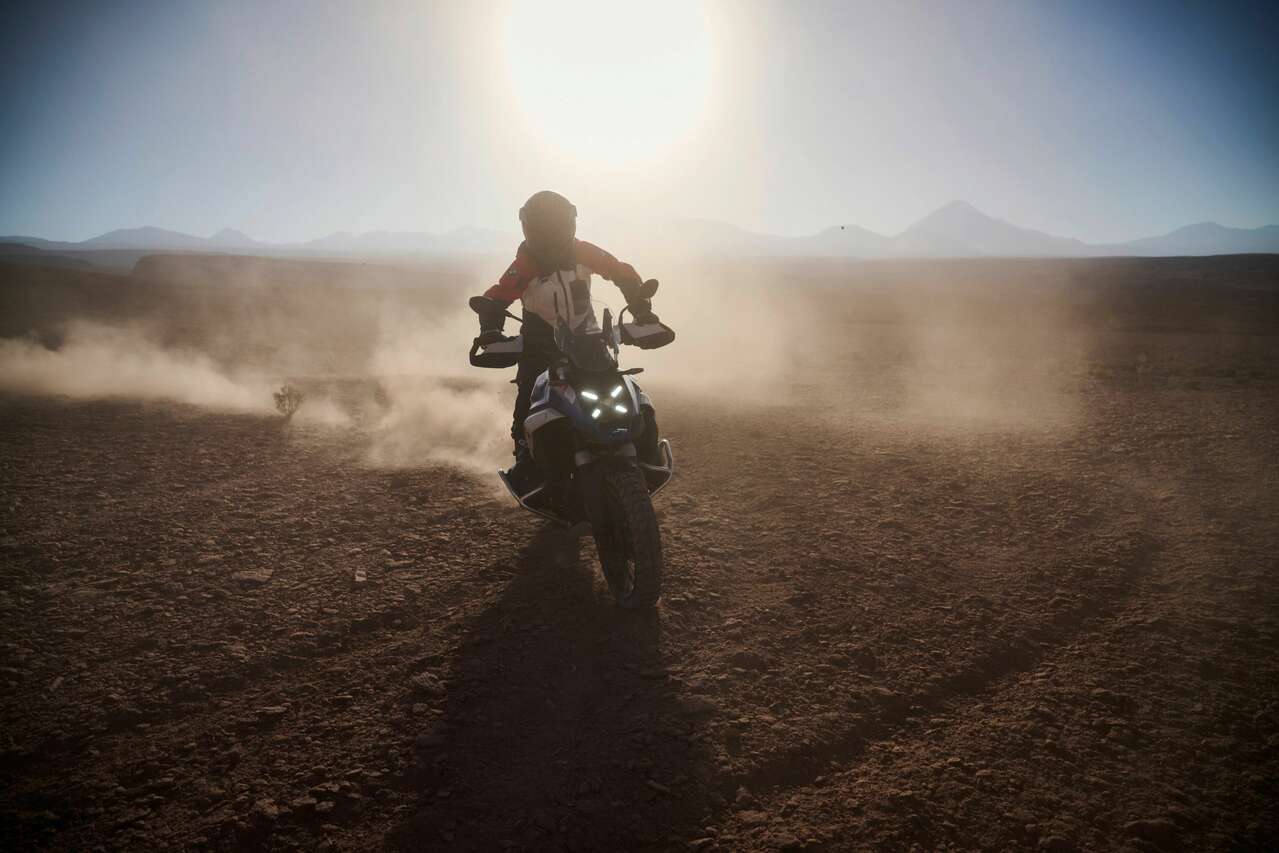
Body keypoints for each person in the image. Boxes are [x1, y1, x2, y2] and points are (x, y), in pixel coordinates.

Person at [474, 190, 658, 487]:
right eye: (543, 226)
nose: (550, 234)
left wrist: (641, 309)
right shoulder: (524, 264)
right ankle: (527, 463)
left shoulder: (583, 251)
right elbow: (497, 296)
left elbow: (621, 272)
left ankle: (646, 456)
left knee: (625, 393)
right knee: (529, 399)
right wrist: (490, 330)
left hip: (589, 338)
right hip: (539, 343)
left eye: (554, 225)